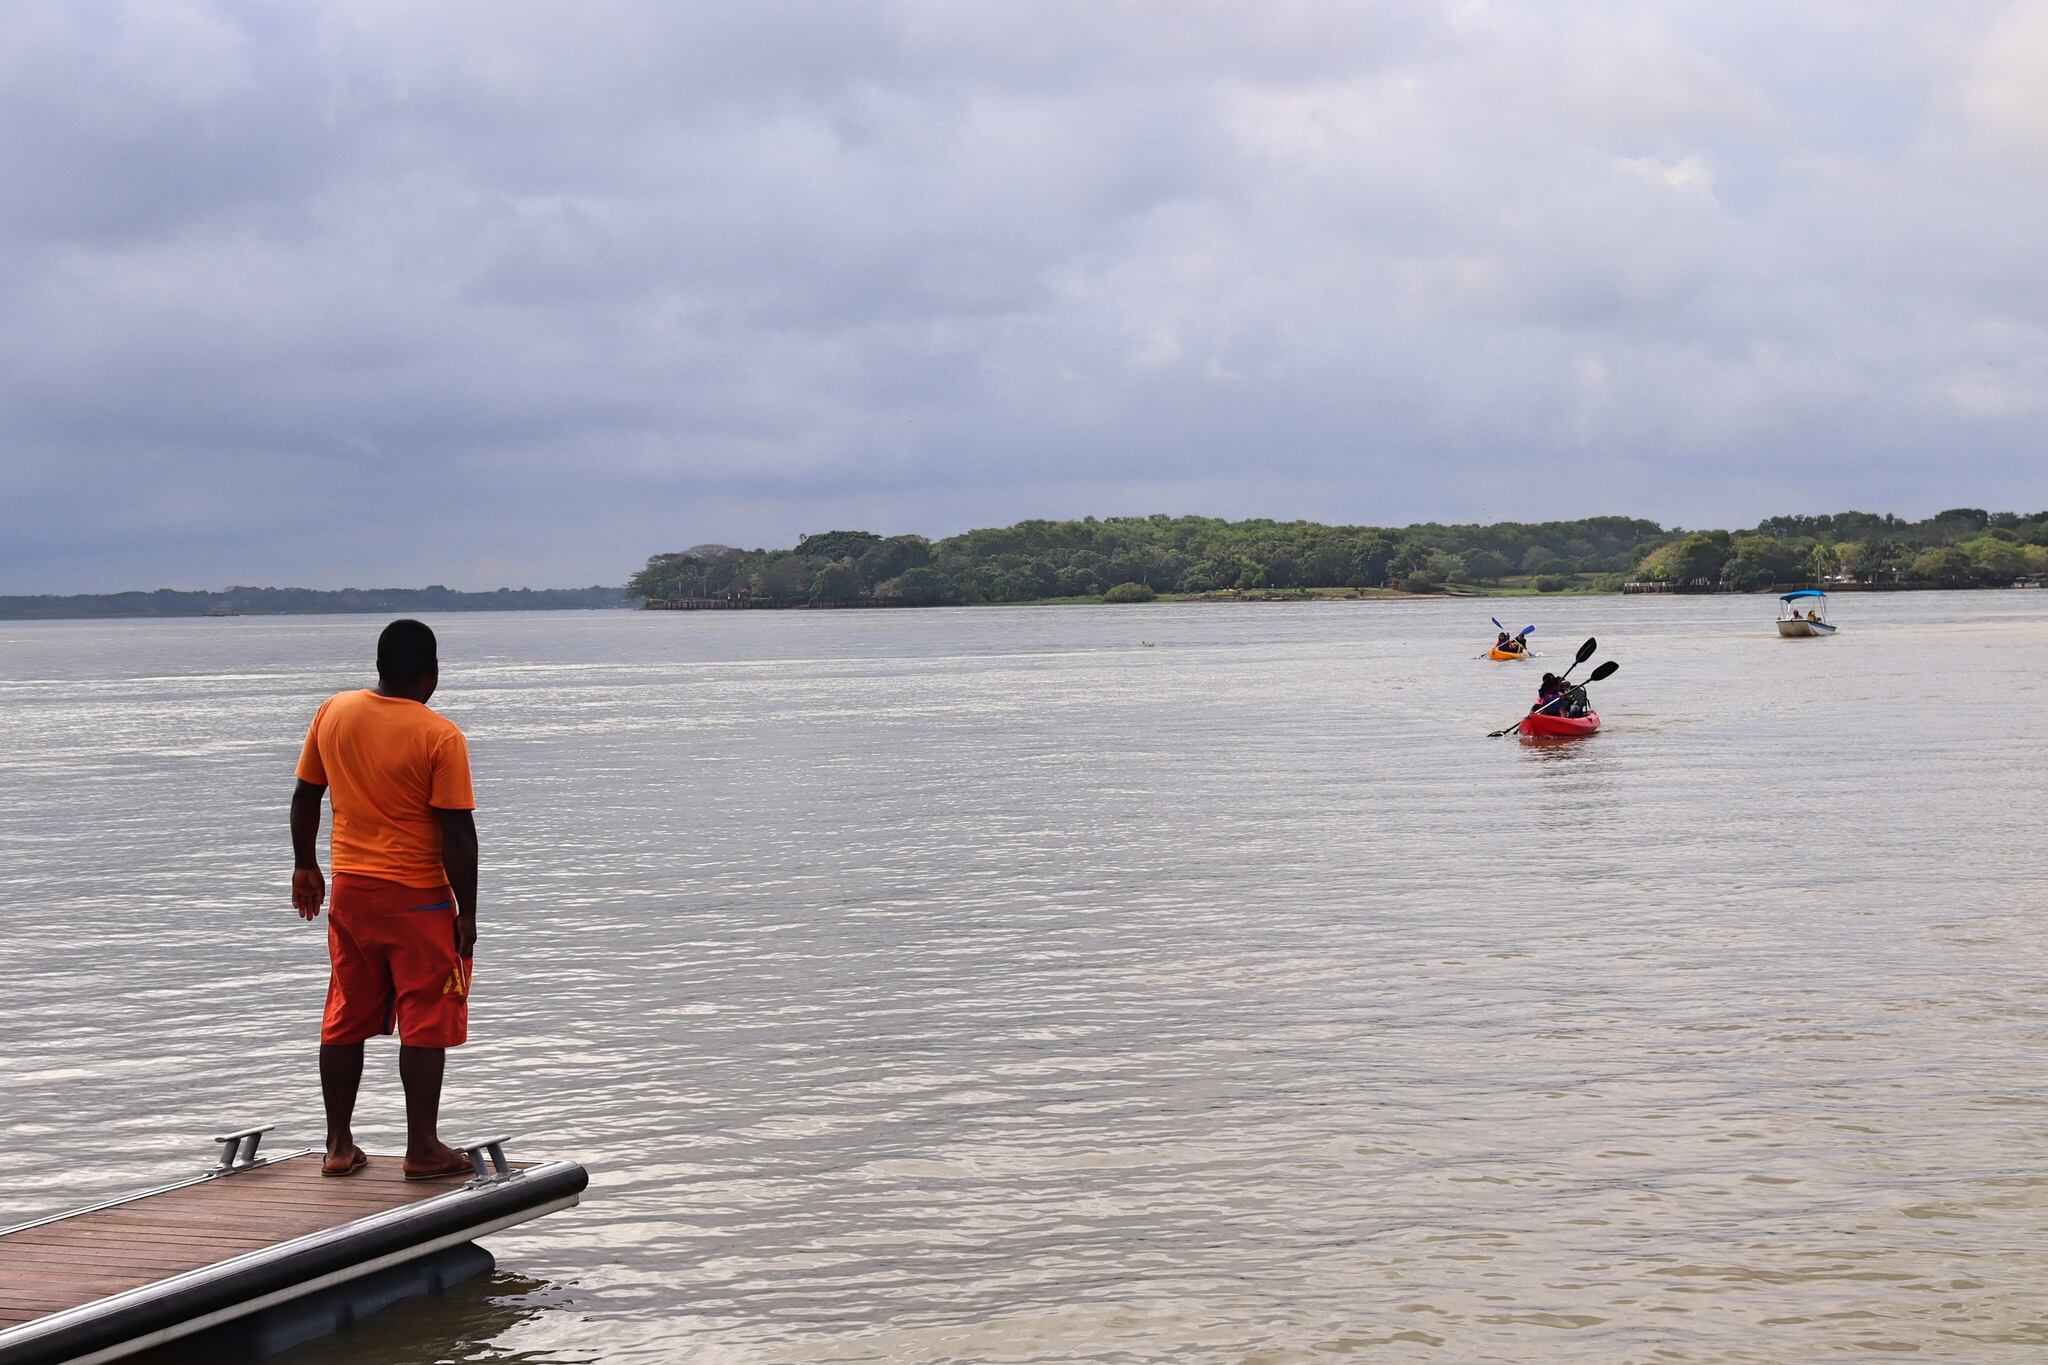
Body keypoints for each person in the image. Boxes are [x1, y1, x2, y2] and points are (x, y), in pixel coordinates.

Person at [291, 620, 479, 1180]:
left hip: (350, 892)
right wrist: (467, 913)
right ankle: (422, 1148)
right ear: (432, 673)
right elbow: (457, 833)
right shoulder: (440, 735)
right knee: (425, 1018)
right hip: (418, 899)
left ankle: (338, 1147)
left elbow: (306, 795)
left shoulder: (333, 712)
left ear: (379, 665)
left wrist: (305, 865)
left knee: (345, 1016)